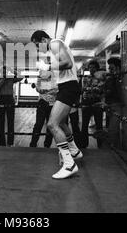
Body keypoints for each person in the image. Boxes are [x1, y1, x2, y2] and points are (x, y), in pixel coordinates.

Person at [31, 30, 83, 180]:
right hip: (66, 87)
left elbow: (68, 63)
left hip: (69, 87)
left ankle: (69, 164)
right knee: (60, 122)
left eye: (37, 44)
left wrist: (47, 67)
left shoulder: (54, 43)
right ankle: (74, 150)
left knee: (52, 125)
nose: (37, 48)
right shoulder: (53, 49)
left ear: (43, 39)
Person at [0, 66, 23, 147]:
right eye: (3, 72)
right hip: (1, 98)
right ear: (1, 72)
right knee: (1, 122)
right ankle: (2, 142)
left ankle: (10, 142)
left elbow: (21, 77)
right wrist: (3, 79)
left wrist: (12, 70)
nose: (4, 73)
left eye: (6, 71)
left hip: (9, 99)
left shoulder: (11, 78)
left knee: (11, 121)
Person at [81, 60, 106, 148]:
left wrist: (88, 89)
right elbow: (83, 89)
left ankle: (100, 145)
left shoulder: (101, 77)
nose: (91, 69)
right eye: (90, 68)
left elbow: (100, 89)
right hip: (87, 102)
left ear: (97, 68)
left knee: (99, 125)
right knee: (84, 124)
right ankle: (84, 145)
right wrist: (91, 89)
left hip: (97, 102)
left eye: (93, 67)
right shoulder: (86, 78)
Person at [29, 70, 57, 148]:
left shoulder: (55, 77)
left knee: (50, 126)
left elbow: (57, 90)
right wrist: (47, 89)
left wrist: (46, 89)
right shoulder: (41, 76)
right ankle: (33, 144)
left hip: (52, 104)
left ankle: (47, 145)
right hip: (42, 103)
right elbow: (38, 89)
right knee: (38, 124)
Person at [104, 58, 123, 148]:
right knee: (113, 129)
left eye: (112, 68)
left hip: (118, 105)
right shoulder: (110, 79)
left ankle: (114, 149)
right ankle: (117, 147)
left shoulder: (122, 78)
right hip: (110, 105)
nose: (110, 71)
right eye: (109, 69)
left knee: (113, 129)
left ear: (118, 68)